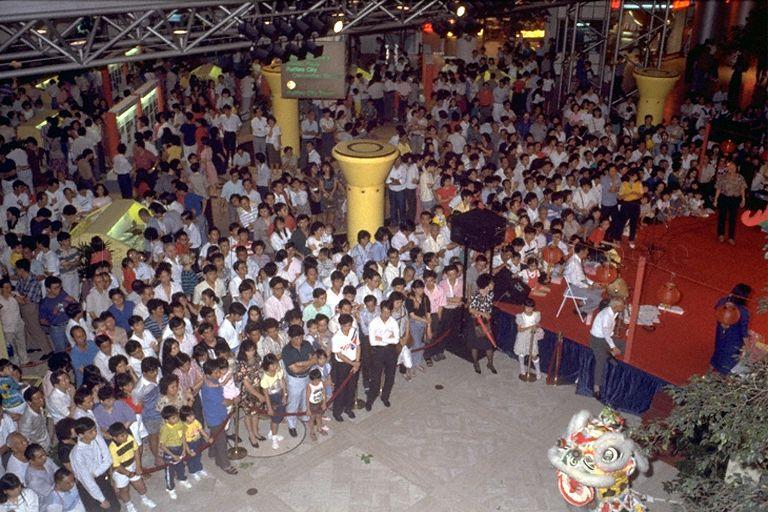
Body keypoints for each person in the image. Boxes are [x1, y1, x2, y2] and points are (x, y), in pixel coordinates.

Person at [69, 417, 120, 511]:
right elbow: (86, 480)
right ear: (80, 434)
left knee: (114, 507)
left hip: (100, 476)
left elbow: (108, 460)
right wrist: (102, 499)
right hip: (86, 486)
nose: (95, 433)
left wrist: (95, 473)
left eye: (94, 430)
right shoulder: (77, 454)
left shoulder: (97, 438)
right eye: (90, 432)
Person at [106, 422, 156, 511]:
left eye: (125, 434)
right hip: (120, 471)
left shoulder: (129, 437)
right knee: (124, 490)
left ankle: (144, 498)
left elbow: (136, 451)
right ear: (114, 438)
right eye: (122, 436)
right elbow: (117, 466)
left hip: (132, 465)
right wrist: (128, 473)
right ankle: (129, 505)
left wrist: (138, 466)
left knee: (141, 486)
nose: (125, 437)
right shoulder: (112, 449)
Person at [200, 360, 238, 475]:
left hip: (215, 415)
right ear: (208, 374)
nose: (219, 374)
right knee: (222, 442)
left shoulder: (210, 381)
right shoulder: (211, 389)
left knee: (214, 435)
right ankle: (224, 464)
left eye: (219, 371)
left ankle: (212, 453)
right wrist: (234, 400)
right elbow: (224, 402)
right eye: (216, 373)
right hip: (215, 418)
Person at [281, 324, 316, 438]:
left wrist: (302, 364)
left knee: (306, 397)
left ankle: (305, 416)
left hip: (306, 377)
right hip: (294, 380)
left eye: (301, 337)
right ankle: (292, 424)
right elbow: (295, 370)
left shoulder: (306, 344)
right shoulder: (286, 350)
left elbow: (314, 359)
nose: (299, 340)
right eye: (296, 338)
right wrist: (309, 363)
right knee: (293, 401)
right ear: (290, 338)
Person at [365, 300, 400, 411]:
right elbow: (373, 342)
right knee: (375, 378)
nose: (386, 315)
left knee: (390, 376)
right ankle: (370, 399)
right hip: (377, 352)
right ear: (380, 311)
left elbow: (396, 340)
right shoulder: (374, 323)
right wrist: (388, 338)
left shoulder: (393, 322)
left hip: (391, 351)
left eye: (388, 313)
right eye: (384, 312)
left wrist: (382, 338)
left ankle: (385, 397)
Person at [588, 299, 626, 400]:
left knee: (624, 345)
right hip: (597, 341)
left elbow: (609, 333)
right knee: (600, 362)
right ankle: (596, 387)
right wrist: (613, 346)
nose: (623, 307)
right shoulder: (606, 316)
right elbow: (605, 334)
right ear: (615, 307)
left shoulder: (613, 313)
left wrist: (614, 345)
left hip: (606, 338)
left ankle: (610, 355)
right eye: (621, 305)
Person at [711, 284, 751, 374]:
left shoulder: (722, 301)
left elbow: (716, 310)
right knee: (729, 357)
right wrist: (748, 348)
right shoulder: (743, 311)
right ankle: (722, 373)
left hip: (721, 332)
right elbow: (744, 332)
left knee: (719, 348)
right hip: (734, 338)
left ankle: (713, 366)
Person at [330, 313, 360, 422]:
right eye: (347, 325)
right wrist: (353, 364)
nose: (349, 327)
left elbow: (357, 346)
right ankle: (337, 411)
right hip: (342, 366)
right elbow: (339, 355)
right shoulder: (336, 337)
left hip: (354, 363)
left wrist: (357, 361)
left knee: (352, 388)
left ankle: (348, 408)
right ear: (341, 325)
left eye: (350, 325)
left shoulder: (354, 332)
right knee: (340, 389)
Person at [563, 243, 603, 321]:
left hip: (579, 284)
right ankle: (582, 310)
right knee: (598, 299)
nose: (588, 252)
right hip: (574, 288)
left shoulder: (577, 259)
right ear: (581, 251)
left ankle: (582, 303)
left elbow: (582, 277)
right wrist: (588, 286)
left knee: (600, 290)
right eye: (586, 250)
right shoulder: (574, 263)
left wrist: (593, 283)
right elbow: (576, 282)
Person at [158, 405, 192, 500]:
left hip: (180, 448)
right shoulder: (165, 429)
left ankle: (182, 478)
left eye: (177, 416)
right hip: (170, 451)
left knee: (181, 466)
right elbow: (162, 445)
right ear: (166, 420)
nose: (176, 419)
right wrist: (173, 455)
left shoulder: (180, 424)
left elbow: (183, 437)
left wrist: (184, 449)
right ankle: (170, 488)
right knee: (170, 471)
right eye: (173, 418)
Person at [467, 273, 497, 375]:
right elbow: (471, 309)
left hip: (486, 322)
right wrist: (482, 313)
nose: (493, 284)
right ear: (486, 284)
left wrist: (488, 314)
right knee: (475, 345)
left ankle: (490, 363)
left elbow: (489, 306)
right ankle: (475, 363)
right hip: (475, 322)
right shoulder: (476, 294)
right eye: (491, 283)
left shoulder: (491, 294)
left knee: (489, 345)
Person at [714, 161, 747, 245]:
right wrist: (716, 199)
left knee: (733, 219)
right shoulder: (722, 177)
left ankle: (731, 237)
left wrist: (743, 199)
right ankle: (721, 234)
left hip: (735, 199)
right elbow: (718, 188)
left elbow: (742, 188)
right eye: (729, 167)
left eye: (733, 167)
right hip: (724, 198)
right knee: (722, 217)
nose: (731, 169)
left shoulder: (740, 177)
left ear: (737, 168)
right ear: (727, 168)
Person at [260, 353, 286, 450]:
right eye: (272, 365)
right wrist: (269, 407)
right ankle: (274, 438)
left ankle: (272, 432)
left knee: (278, 417)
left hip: (280, 395)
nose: (275, 366)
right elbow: (266, 394)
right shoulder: (265, 378)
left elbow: (282, 382)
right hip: (272, 399)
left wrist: (285, 395)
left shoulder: (279, 371)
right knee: (275, 419)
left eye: (276, 364)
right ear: (267, 365)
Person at [179, 405, 211, 481]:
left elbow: (201, 430)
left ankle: (199, 468)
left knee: (198, 455)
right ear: (184, 418)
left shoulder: (195, 422)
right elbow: (183, 441)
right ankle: (193, 471)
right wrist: (188, 450)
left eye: (192, 415)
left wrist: (207, 437)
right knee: (191, 458)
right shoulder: (183, 427)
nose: (192, 417)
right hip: (190, 444)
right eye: (189, 417)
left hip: (198, 441)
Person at [514, 298, 543, 379]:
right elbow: (520, 329)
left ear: (533, 308)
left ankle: (538, 371)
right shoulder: (520, 317)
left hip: (532, 337)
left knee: (534, 354)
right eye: (527, 307)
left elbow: (538, 324)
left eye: (530, 308)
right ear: (524, 307)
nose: (529, 309)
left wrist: (536, 327)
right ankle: (522, 369)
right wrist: (531, 327)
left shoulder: (536, 315)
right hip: (523, 337)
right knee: (521, 353)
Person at [305, 368, 327, 441]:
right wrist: (308, 409)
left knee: (319, 416)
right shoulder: (309, 386)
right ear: (311, 380)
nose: (316, 382)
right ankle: (312, 432)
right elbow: (307, 398)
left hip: (319, 402)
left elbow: (324, 393)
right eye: (314, 381)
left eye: (318, 380)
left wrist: (324, 403)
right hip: (312, 404)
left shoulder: (322, 383)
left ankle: (319, 428)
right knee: (312, 419)